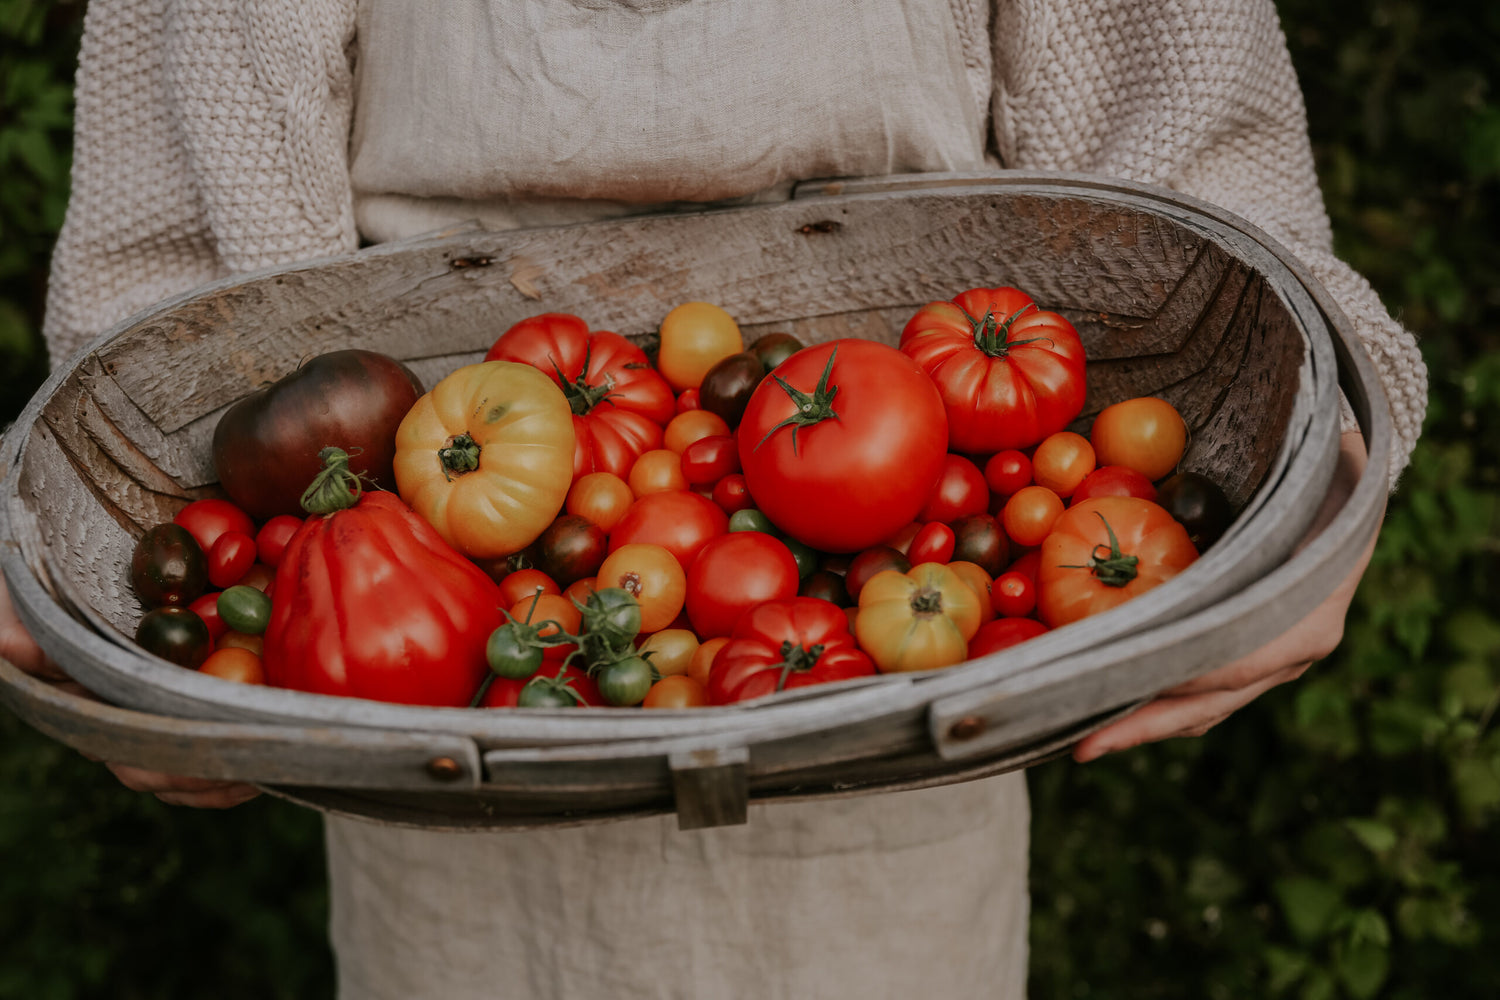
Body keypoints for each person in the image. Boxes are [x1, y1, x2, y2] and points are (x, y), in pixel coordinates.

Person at [6, 0, 1427, 997]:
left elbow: (1215, 201)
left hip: (908, 747)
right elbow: (172, 325)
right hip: (424, 748)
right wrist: (99, 606)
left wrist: (1337, 466)